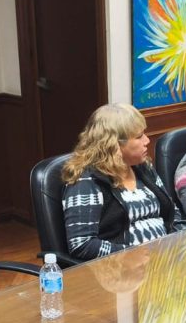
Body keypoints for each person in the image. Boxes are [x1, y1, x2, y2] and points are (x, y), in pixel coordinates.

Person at [62, 103, 176, 261]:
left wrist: (181, 241)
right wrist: (134, 253)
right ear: (114, 144)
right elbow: (82, 245)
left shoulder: (143, 167)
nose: (147, 140)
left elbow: (172, 211)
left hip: (163, 258)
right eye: (139, 136)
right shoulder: (86, 181)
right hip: (123, 268)